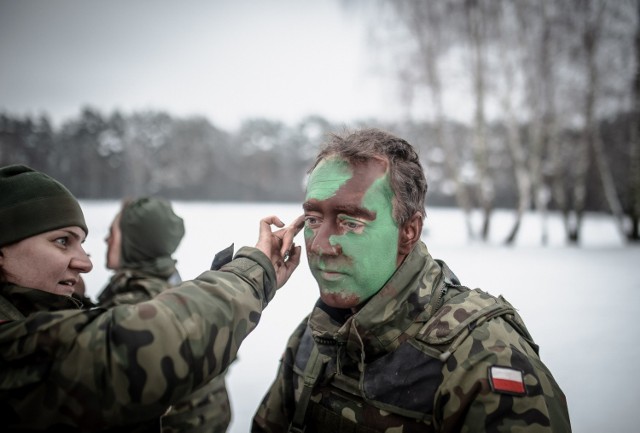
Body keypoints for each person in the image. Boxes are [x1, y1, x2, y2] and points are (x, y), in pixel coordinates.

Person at [252, 128, 571, 432]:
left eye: (350, 222)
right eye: (312, 219)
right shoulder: (315, 336)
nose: (320, 245)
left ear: (409, 231)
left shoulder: (483, 355)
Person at [0, 164, 302, 431]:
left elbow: (140, 343)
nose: (88, 260)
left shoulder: (130, 302)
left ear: (135, 242)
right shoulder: (164, 289)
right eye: (63, 241)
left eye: (110, 234)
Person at [97, 196, 232, 433]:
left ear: (135, 243)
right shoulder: (179, 290)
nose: (106, 239)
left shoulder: (130, 309)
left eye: (113, 232)